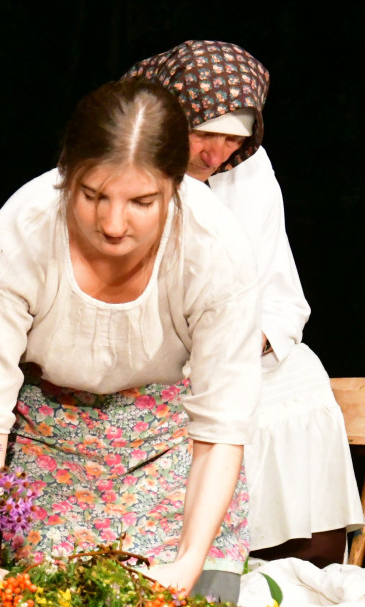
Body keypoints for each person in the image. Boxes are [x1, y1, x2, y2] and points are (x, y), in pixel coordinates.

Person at [0, 79, 261, 601]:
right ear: (66, 174)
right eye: (92, 195)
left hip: (171, 443)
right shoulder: (22, 232)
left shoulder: (216, 250)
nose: (113, 224)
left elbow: (222, 425)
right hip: (49, 437)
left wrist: (185, 568)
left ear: (176, 186)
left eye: (142, 201)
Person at [127, 40, 364, 567]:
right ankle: (209, 561)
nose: (217, 154)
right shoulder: (123, 169)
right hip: (154, 358)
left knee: (300, 374)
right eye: (205, 134)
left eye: (232, 141)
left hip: (236, 348)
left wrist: (244, 339)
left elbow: (280, 292)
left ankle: (306, 562)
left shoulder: (250, 170)